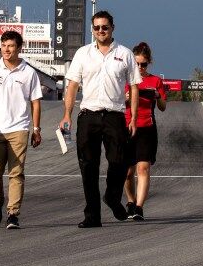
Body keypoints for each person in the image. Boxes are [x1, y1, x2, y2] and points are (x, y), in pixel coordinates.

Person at [59, 11, 141, 228]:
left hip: (114, 115)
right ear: (92, 30)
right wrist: (67, 114)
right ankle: (92, 216)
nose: (101, 31)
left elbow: (134, 86)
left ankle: (112, 197)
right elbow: (72, 85)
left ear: (112, 28)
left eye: (105, 27)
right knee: (88, 166)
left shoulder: (125, 54)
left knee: (119, 161)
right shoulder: (83, 53)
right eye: (96, 28)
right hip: (88, 116)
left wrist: (131, 117)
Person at [0, 30, 43, 229]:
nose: (6, 49)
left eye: (11, 46)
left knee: (16, 173)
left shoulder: (29, 72)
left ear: (19, 48)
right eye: (4, 45)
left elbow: (35, 102)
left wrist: (36, 128)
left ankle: (13, 214)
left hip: (19, 129)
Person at [123, 42, 167, 221]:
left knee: (143, 167)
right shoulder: (124, 80)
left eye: (144, 64)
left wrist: (157, 96)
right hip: (126, 127)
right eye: (137, 64)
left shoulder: (155, 81)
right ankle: (131, 202)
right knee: (127, 172)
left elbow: (163, 107)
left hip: (146, 128)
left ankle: (139, 207)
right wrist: (125, 98)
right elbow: (115, 104)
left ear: (149, 63)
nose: (140, 68)